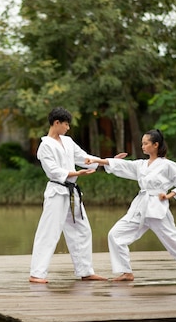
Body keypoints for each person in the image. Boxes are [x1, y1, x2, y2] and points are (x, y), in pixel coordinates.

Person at [85, 129, 176, 282]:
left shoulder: (168, 165)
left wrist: (169, 195)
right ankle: (125, 272)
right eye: (142, 143)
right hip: (141, 207)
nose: (143, 146)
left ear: (156, 145)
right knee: (116, 235)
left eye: (146, 143)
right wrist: (96, 161)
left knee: (174, 243)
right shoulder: (141, 165)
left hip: (157, 208)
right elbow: (121, 165)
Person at [29, 107, 127, 284]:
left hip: (72, 192)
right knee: (49, 232)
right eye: (66, 124)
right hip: (57, 191)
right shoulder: (45, 146)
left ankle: (85, 271)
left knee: (82, 230)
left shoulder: (67, 142)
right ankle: (37, 273)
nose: (68, 128)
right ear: (56, 123)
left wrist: (108, 161)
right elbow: (53, 171)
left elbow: (84, 158)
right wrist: (76, 174)